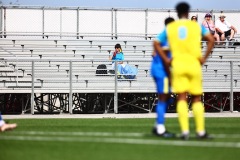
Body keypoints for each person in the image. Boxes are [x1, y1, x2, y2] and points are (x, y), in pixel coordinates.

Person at [154, 2, 215, 140]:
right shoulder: (196, 26)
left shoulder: (171, 27)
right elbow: (211, 39)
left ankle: (185, 131)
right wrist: (204, 58)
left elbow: (156, 43)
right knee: (197, 99)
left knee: (182, 97)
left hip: (178, 65)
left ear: (177, 12)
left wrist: (167, 60)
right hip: (194, 64)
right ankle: (200, 131)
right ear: (188, 12)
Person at [151, 17, 175, 138]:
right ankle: (160, 128)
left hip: (156, 70)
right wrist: (169, 75)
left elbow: (153, 52)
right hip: (162, 72)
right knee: (164, 99)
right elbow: (166, 59)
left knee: (167, 98)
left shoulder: (163, 35)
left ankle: (157, 124)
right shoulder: (168, 37)